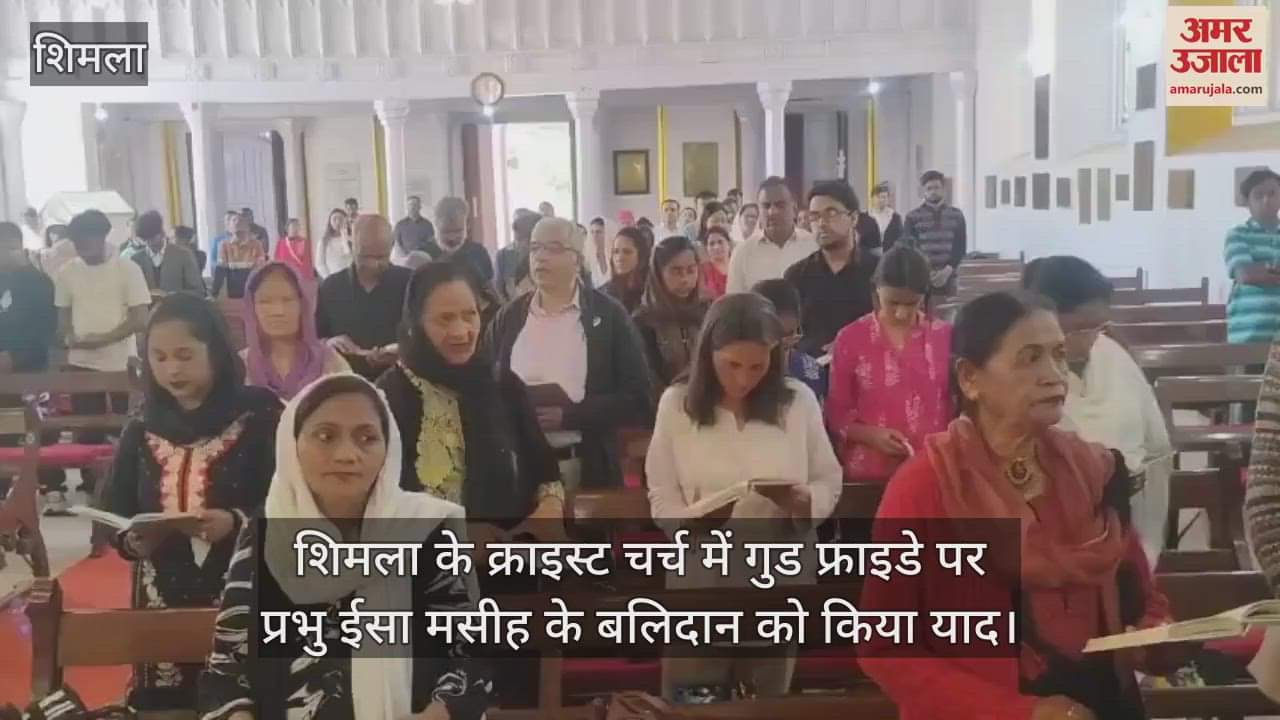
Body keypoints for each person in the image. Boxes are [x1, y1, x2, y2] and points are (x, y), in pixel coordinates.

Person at [859, 291, 1176, 720]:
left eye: (1058, 354)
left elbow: (1144, 600)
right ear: (970, 378)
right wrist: (1016, 712)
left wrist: (1154, 639)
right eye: (1030, 358)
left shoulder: (1094, 471)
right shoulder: (923, 489)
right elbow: (883, 647)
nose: (1054, 375)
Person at [197, 374, 491, 720]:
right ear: (292, 444)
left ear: (388, 448)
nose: (347, 455)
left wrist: (437, 715)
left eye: (367, 438)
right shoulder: (265, 536)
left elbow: (470, 661)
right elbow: (227, 673)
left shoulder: (428, 530)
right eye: (325, 436)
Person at [645, 292, 841, 700]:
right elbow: (662, 500)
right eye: (731, 365)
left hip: (778, 573)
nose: (743, 378)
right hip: (702, 580)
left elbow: (828, 478)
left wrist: (807, 502)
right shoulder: (677, 406)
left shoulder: (797, 401)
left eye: (757, 365)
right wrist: (696, 519)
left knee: (767, 703)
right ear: (707, 354)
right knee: (693, 703)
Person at [106, 293, 282, 711]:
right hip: (159, 592)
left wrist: (236, 522)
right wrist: (132, 541)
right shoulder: (141, 426)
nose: (172, 369)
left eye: (185, 355)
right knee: (164, 704)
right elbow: (116, 511)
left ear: (216, 351)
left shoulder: (258, 416)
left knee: (242, 700)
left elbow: (288, 503)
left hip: (242, 586)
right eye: (160, 356)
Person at [378, 258, 562, 527]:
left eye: (469, 315)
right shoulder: (389, 397)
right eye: (445, 319)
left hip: (508, 555)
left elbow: (545, 472)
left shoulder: (503, 385)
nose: (460, 332)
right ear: (416, 324)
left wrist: (549, 509)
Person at [1023, 255, 1173, 565]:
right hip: (1050, 532)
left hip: (1127, 522)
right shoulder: (1019, 373)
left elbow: (1156, 448)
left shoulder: (1112, 354)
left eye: (1098, 326)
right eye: (1080, 328)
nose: (1091, 338)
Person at [485, 217, 652, 491]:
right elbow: (484, 383)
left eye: (553, 248)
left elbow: (639, 398)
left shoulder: (608, 316)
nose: (540, 257)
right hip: (518, 470)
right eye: (535, 248)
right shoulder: (509, 317)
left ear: (577, 258)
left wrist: (571, 416)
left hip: (583, 467)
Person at [824, 246, 952, 481]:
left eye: (912, 303)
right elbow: (836, 412)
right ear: (876, 290)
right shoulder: (851, 339)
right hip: (870, 472)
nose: (902, 313)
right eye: (892, 302)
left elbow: (955, 405)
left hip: (933, 469)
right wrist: (870, 435)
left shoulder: (944, 337)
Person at [51, 210, 151, 511]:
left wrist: (104, 339)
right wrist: (70, 336)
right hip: (81, 360)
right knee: (87, 427)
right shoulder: (67, 272)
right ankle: (94, 486)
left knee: (128, 426)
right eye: (77, 243)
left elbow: (139, 318)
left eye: (87, 241)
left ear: (102, 237)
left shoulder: (127, 269)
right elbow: (63, 320)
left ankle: (130, 484)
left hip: (122, 360)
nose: (82, 248)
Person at [783, 180, 875, 357]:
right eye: (814, 216)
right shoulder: (796, 276)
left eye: (831, 213)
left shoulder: (878, 271)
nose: (821, 223)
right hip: (812, 375)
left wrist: (849, 345)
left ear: (854, 218)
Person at [317, 214, 411, 381]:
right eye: (365, 256)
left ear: (392, 246)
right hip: (345, 384)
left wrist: (400, 351)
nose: (373, 264)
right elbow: (314, 339)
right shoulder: (331, 287)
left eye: (381, 257)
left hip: (401, 383)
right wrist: (329, 343)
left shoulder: (410, 283)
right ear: (352, 246)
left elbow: (424, 335)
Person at [242, 262, 350, 400]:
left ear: (302, 304)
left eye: (288, 300)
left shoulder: (330, 362)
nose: (278, 311)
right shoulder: (240, 367)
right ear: (252, 307)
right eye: (265, 302)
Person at [634, 235, 708, 390]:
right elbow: (646, 379)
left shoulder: (707, 312)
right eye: (676, 271)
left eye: (691, 270)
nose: (685, 279)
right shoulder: (643, 321)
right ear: (658, 274)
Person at [725, 177, 817, 293]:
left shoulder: (814, 246)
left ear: (794, 208)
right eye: (766, 206)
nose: (772, 212)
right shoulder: (742, 253)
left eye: (780, 205)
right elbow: (734, 303)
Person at [1224, 168, 1280, 344]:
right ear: (1248, 202)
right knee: (1248, 373)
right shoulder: (1237, 235)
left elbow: (1254, 272)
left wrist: (1262, 270)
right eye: (1259, 195)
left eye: (1272, 194)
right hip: (1249, 334)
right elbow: (1245, 275)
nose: (1266, 200)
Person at [752, 279, 827, 403]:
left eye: (789, 335)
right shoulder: (738, 375)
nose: (781, 346)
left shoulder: (812, 374)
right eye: (774, 336)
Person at [902, 169, 967, 297]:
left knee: (948, 314)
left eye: (937, 187)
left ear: (943, 189)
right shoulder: (912, 217)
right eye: (929, 188)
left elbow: (960, 247)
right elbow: (910, 247)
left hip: (949, 276)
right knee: (922, 315)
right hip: (921, 275)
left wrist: (947, 270)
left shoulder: (957, 215)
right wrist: (927, 271)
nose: (933, 191)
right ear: (923, 191)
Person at [130, 210, 205, 296]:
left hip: (177, 308)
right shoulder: (136, 260)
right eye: (144, 240)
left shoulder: (183, 255)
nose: (149, 243)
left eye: (152, 238)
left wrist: (170, 295)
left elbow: (198, 292)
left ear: (162, 232)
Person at [435, 196, 494, 284]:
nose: (452, 238)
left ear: (467, 225)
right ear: (436, 224)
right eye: (446, 232)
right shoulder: (424, 256)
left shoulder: (479, 253)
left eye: (458, 231)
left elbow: (489, 290)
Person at [212, 211, 267, 298]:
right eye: (234, 220)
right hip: (233, 288)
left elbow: (261, 268)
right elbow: (220, 270)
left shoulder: (256, 244)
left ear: (247, 226)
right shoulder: (224, 245)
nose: (237, 223)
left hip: (253, 287)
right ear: (229, 227)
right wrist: (214, 293)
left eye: (240, 221)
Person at [600, 226, 651, 314]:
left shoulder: (652, 290)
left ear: (641, 255)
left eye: (627, 252)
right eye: (616, 252)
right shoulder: (604, 293)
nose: (620, 258)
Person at [496, 209, 539, 303]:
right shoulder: (504, 256)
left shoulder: (544, 263)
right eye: (516, 240)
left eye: (521, 240)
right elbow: (501, 290)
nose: (518, 245)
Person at [392, 195, 439, 268]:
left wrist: (420, 255)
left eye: (415, 204)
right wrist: (405, 257)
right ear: (407, 207)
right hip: (405, 261)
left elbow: (431, 243)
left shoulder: (427, 224)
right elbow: (397, 243)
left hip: (422, 261)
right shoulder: (400, 225)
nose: (412, 207)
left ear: (420, 207)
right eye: (410, 204)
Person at [317, 207, 352, 279]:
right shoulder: (324, 241)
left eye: (341, 219)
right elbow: (320, 264)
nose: (338, 222)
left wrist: (345, 238)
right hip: (331, 277)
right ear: (330, 221)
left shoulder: (351, 239)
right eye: (334, 219)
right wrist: (328, 278)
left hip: (350, 278)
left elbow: (350, 257)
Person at [869, 181, 903, 251]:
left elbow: (900, 238)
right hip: (870, 257)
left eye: (884, 197)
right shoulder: (865, 216)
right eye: (878, 197)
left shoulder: (895, 217)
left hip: (890, 256)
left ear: (888, 199)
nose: (881, 200)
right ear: (872, 198)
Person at [701, 225, 732, 299]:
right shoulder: (702, 269)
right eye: (711, 244)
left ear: (729, 244)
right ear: (706, 248)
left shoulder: (738, 265)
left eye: (720, 242)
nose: (716, 247)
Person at [585, 217, 611, 287]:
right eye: (592, 232)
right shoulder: (587, 257)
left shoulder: (612, 255)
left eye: (598, 232)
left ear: (606, 233)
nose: (595, 236)